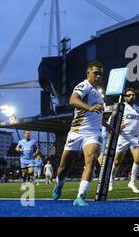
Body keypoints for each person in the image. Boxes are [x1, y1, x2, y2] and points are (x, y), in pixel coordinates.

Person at [52, 60, 107, 206]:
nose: (98, 76)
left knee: (90, 161)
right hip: (76, 133)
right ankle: (59, 185)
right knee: (63, 169)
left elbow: (97, 115)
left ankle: (80, 196)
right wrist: (89, 108)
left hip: (93, 134)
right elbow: (72, 100)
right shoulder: (84, 86)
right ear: (88, 73)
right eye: (95, 73)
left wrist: (108, 125)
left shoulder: (99, 94)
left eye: (100, 74)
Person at [108, 87, 139, 194]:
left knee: (138, 159)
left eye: (133, 95)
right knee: (116, 162)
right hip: (123, 137)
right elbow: (110, 123)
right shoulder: (120, 107)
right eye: (129, 95)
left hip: (134, 137)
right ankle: (111, 180)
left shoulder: (138, 109)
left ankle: (132, 182)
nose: (131, 96)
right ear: (125, 97)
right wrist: (117, 127)